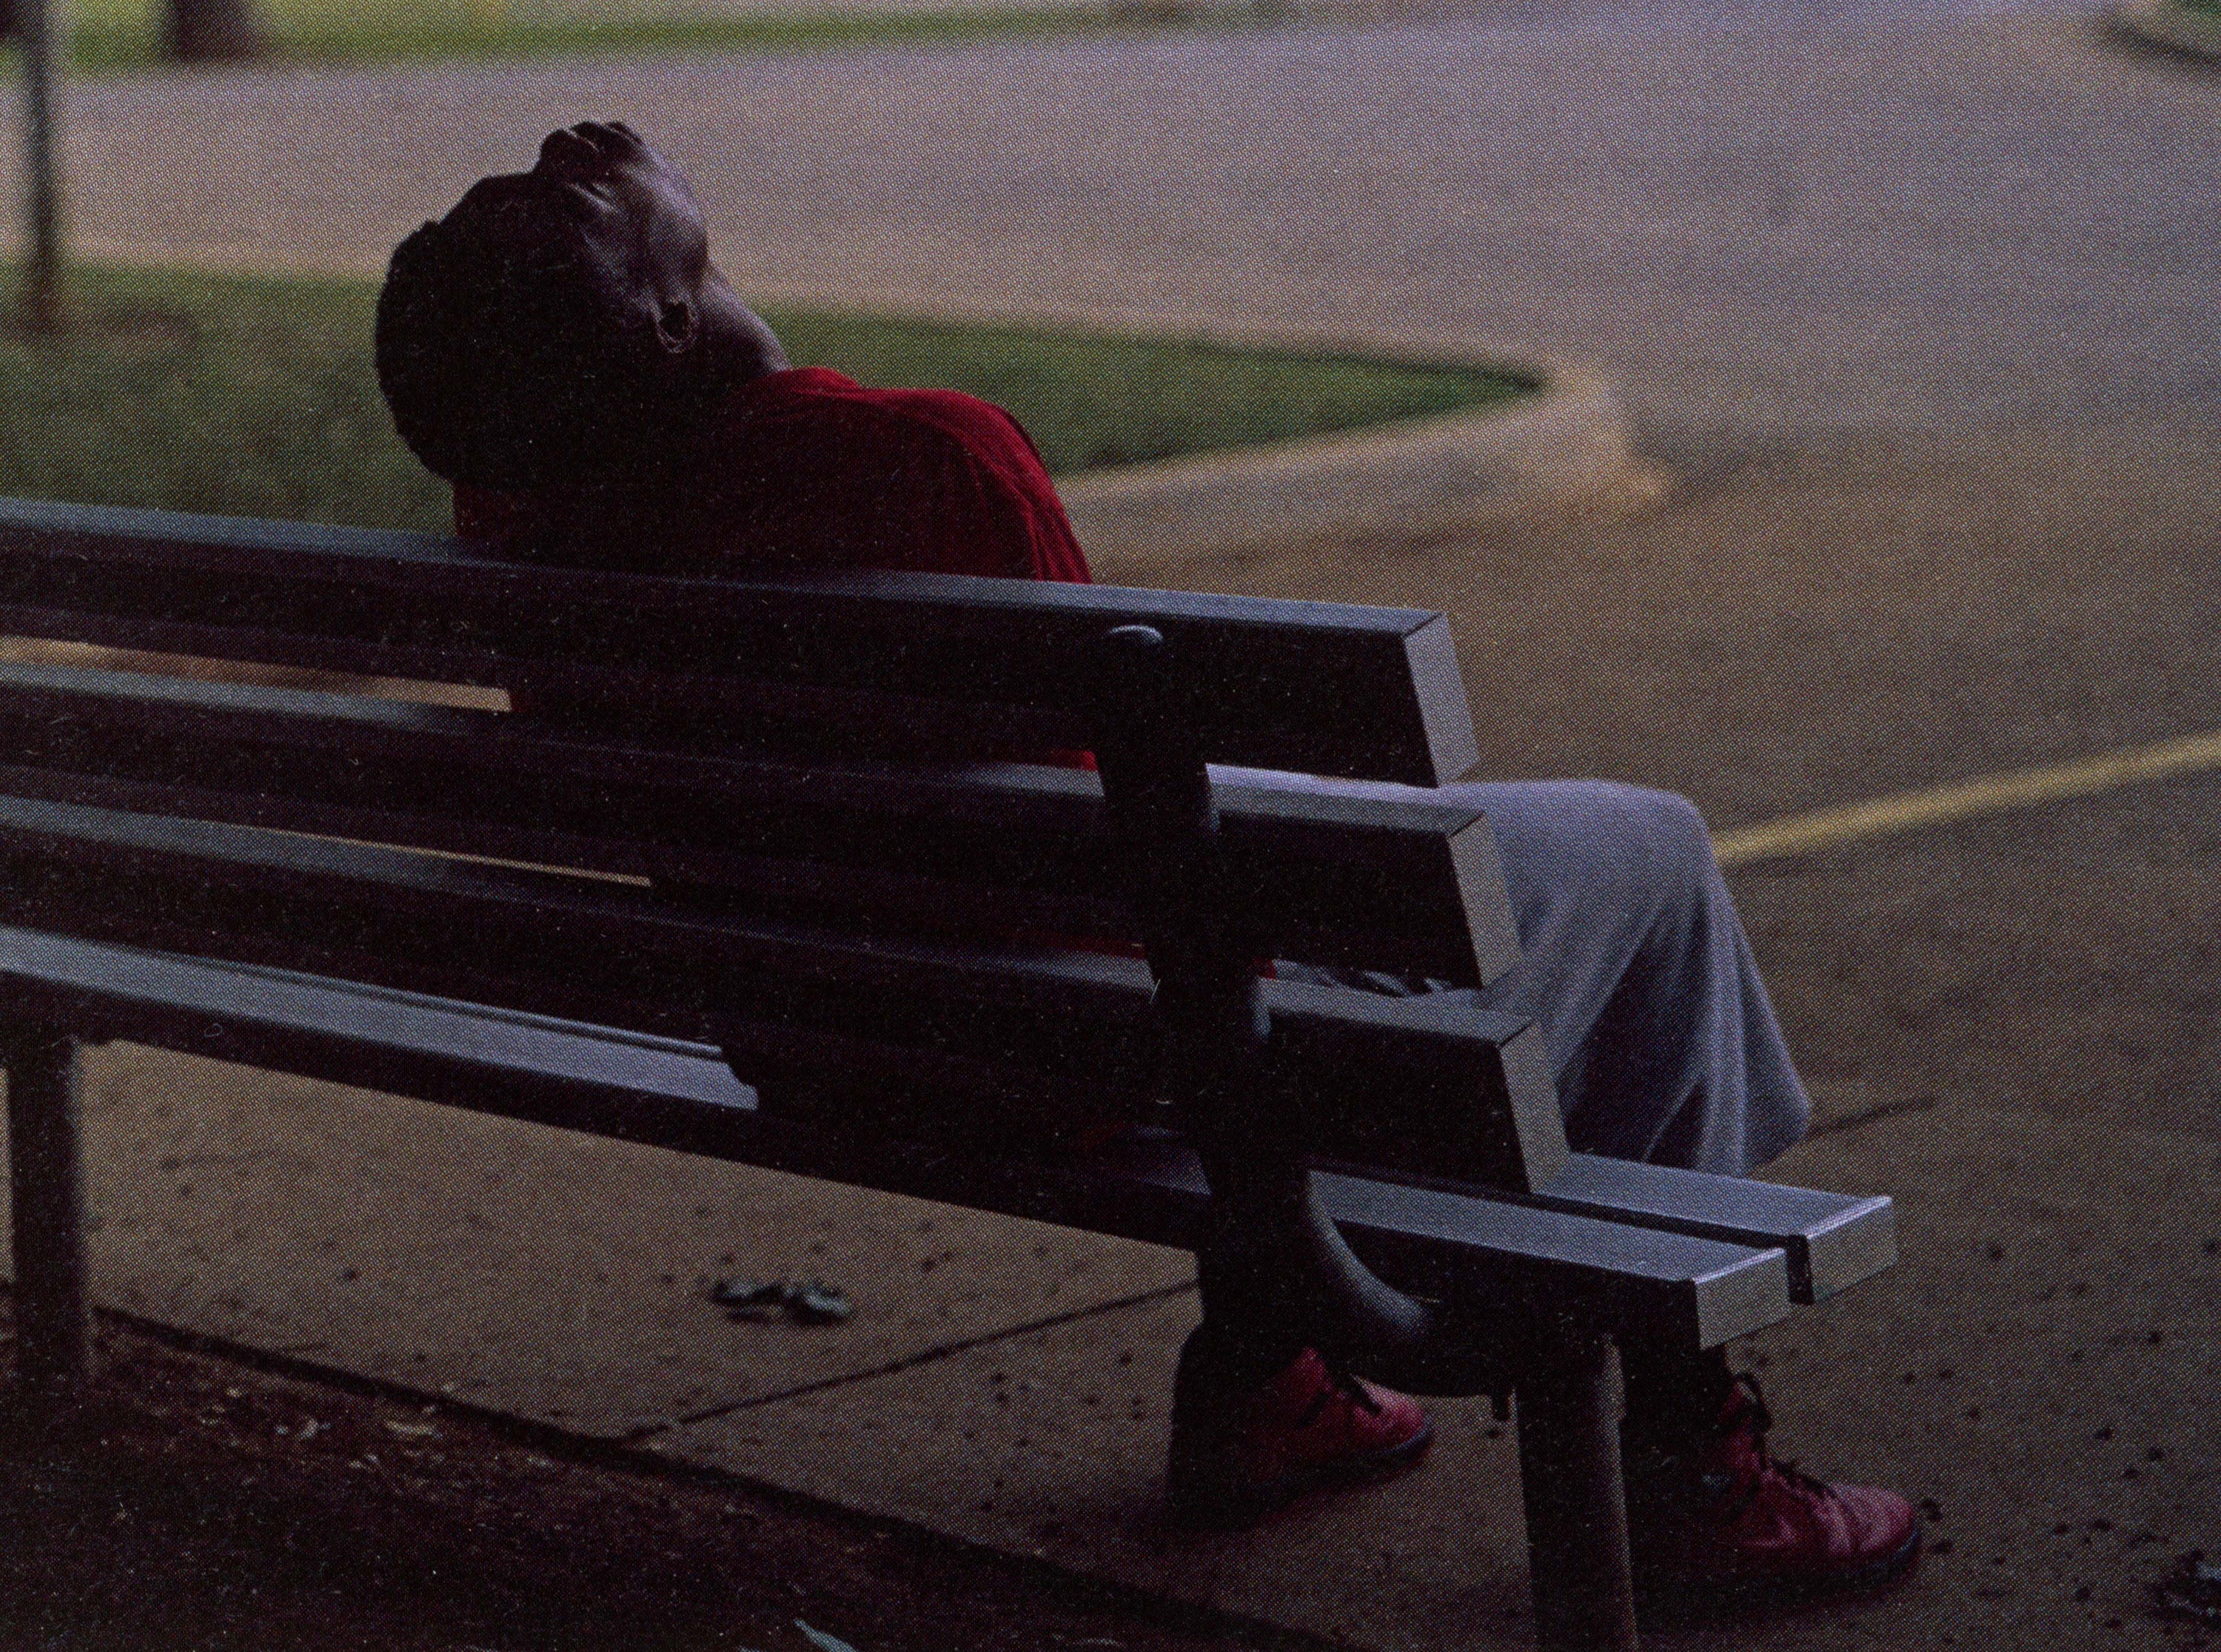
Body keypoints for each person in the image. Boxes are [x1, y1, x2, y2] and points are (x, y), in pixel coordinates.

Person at [375, 120, 1920, 1618]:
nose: (567, 155)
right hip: (1056, 1044)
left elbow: (1042, 807)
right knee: (1645, 853)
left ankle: (1269, 1374)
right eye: (563, 207)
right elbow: (1101, 863)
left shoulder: (541, 515)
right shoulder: (921, 458)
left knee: (1342, 831)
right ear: (657, 318)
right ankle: (1689, 1470)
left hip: (830, 1029)